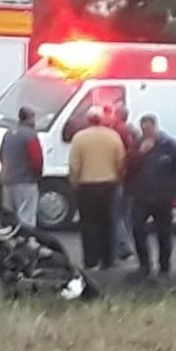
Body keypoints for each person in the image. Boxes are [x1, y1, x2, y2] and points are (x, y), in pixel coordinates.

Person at [125, 114, 176, 279]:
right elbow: (128, 166)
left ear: (155, 127)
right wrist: (140, 153)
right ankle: (144, 265)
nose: (147, 132)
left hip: (162, 198)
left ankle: (164, 267)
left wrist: (172, 191)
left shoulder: (169, 145)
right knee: (137, 228)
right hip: (141, 196)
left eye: (149, 128)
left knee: (164, 232)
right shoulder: (137, 145)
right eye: (144, 129)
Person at [69, 106, 125, 270]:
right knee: (107, 223)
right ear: (102, 120)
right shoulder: (113, 137)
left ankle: (90, 260)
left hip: (86, 187)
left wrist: (75, 182)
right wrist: (118, 179)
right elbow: (121, 162)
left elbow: (74, 165)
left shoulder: (79, 138)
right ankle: (107, 260)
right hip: (108, 185)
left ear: (87, 120)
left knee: (88, 225)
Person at [0, 106, 43, 228]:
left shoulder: (8, 134)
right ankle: (26, 242)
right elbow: (36, 160)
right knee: (26, 216)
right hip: (25, 181)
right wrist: (37, 175)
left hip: (7, 180)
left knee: (10, 217)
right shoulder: (30, 135)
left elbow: (1, 155)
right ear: (29, 118)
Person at [110, 104, 138, 261]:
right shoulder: (133, 130)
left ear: (118, 115)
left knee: (117, 213)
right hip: (132, 178)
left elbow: (119, 155)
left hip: (121, 176)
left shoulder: (118, 130)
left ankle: (122, 246)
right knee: (126, 213)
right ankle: (125, 242)